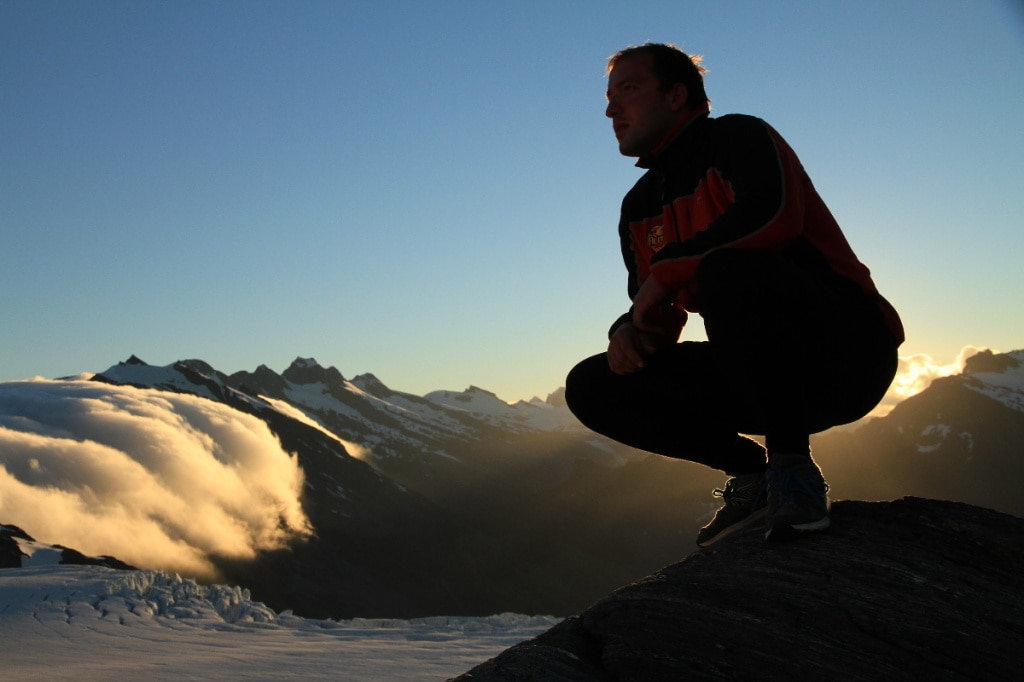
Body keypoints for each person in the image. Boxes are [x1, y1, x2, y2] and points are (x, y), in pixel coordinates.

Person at [565, 43, 903, 545]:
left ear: (677, 95)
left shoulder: (739, 138)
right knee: (591, 385)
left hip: (847, 352)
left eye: (628, 91)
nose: (611, 109)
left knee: (727, 269)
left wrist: (670, 271)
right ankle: (753, 475)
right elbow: (655, 309)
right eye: (609, 97)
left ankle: (794, 471)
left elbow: (773, 219)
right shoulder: (638, 206)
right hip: (758, 373)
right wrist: (629, 335)